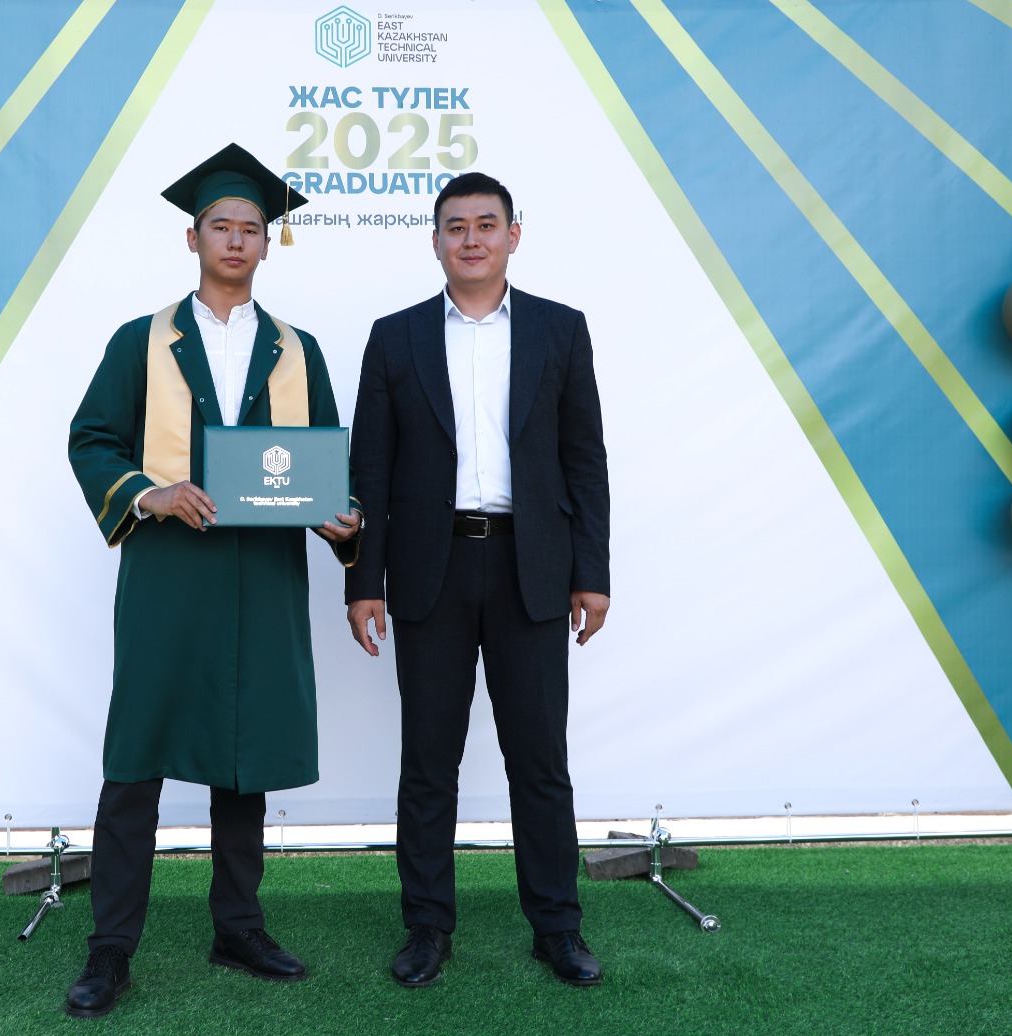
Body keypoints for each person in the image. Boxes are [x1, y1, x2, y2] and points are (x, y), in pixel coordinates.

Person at [64, 143, 360, 1018]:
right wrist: (148, 492)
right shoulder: (142, 341)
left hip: (262, 571)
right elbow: (92, 439)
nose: (236, 239)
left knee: (245, 753)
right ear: (192, 238)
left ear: (268, 244)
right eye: (221, 226)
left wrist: (339, 515)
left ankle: (238, 926)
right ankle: (111, 947)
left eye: (251, 228)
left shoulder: (298, 351)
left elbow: (326, 465)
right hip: (169, 571)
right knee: (138, 755)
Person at [344, 171, 610, 988]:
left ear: (512, 236)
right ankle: (428, 928)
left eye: (486, 224)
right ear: (435, 241)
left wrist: (592, 573)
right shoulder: (395, 338)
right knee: (429, 761)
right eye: (455, 226)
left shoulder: (560, 330)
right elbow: (370, 468)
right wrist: (362, 580)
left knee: (540, 760)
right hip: (431, 569)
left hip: (534, 568)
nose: (471, 239)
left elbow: (583, 458)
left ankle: (557, 928)